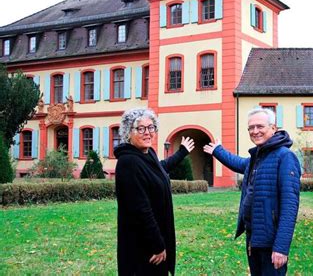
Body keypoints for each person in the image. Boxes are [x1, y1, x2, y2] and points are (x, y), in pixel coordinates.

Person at [204, 107, 301, 275]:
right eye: (251, 128)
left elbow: (290, 206)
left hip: (272, 243)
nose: (255, 131)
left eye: (260, 126)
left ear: (273, 128)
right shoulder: (258, 157)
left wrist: (281, 247)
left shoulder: (284, 156)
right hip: (254, 238)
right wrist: (217, 151)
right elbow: (239, 163)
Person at [114, 108, 195, 275]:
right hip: (143, 245)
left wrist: (181, 153)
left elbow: (160, 169)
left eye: (151, 127)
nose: (147, 133)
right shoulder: (128, 162)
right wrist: (157, 245)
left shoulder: (147, 153)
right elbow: (141, 209)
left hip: (154, 238)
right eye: (141, 128)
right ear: (128, 133)